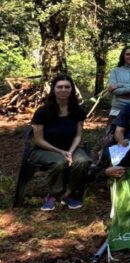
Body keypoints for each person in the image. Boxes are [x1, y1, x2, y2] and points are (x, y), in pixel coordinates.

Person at [30, 74, 92, 210]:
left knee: (83, 161)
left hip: (70, 147)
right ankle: (53, 194)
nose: (63, 90)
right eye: (59, 87)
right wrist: (60, 152)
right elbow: (38, 139)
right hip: (44, 150)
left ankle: (69, 193)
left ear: (72, 90)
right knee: (59, 162)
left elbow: (78, 136)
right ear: (53, 89)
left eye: (67, 87)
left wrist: (70, 151)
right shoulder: (42, 112)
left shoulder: (78, 111)